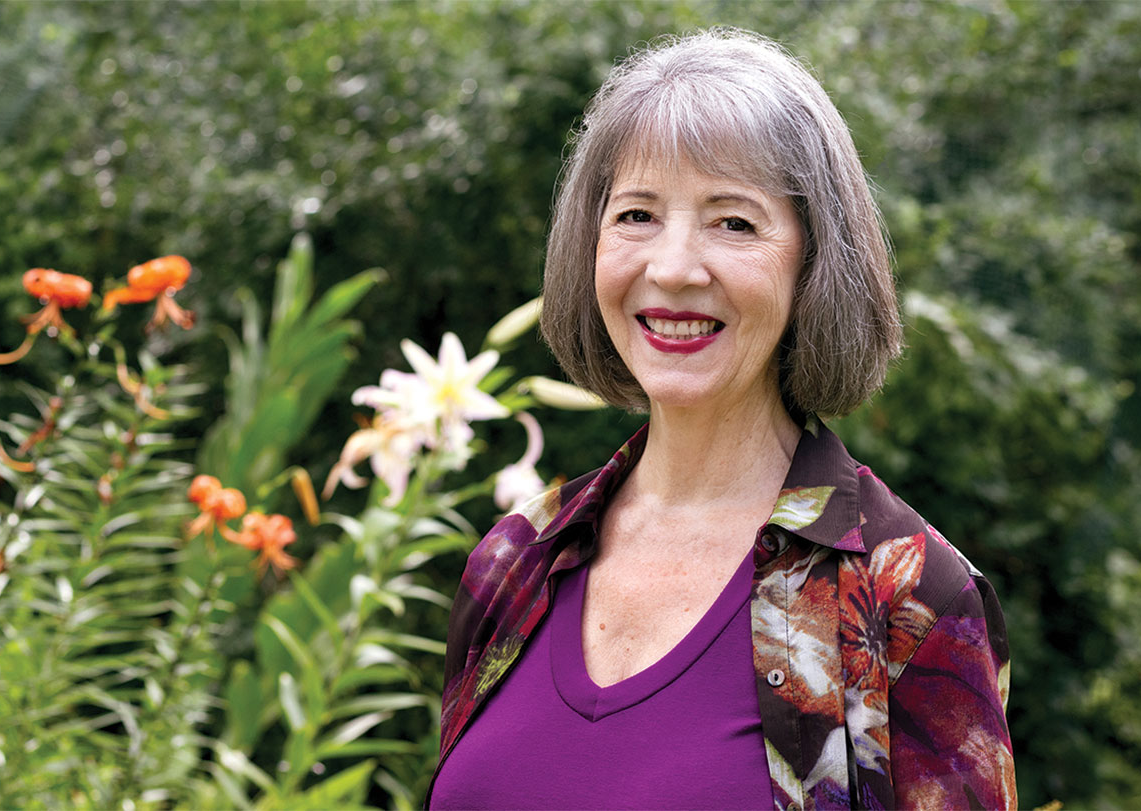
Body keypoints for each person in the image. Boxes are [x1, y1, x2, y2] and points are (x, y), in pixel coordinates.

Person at [430, 29, 1015, 810]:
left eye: (732, 222)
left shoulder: (908, 598)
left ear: (814, 264)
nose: (672, 267)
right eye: (637, 214)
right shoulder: (514, 564)